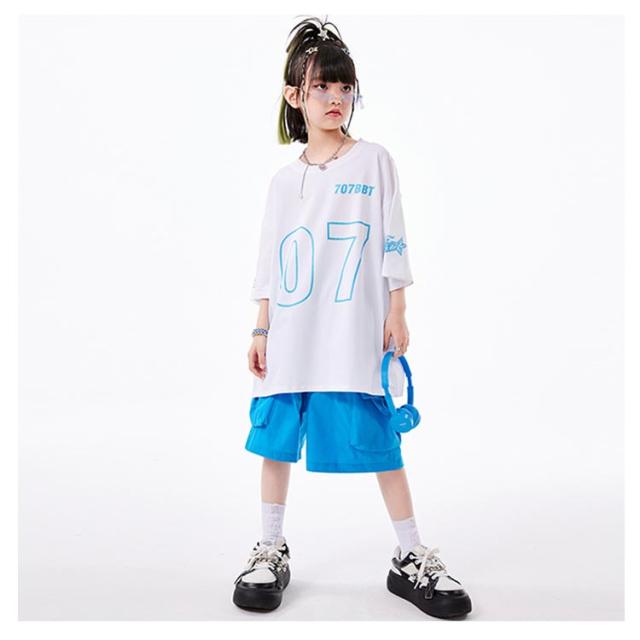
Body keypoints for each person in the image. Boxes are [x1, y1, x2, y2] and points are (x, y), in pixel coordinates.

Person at [232, 16, 472, 620]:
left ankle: (410, 554)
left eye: (344, 87)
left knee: (381, 440)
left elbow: (394, 237)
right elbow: (268, 260)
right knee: (276, 441)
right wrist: (261, 327)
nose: (334, 98)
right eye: (321, 87)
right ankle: (270, 547)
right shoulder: (284, 181)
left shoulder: (373, 161)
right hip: (292, 332)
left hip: (351, 330)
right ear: (296, 96)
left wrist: (398, 308)